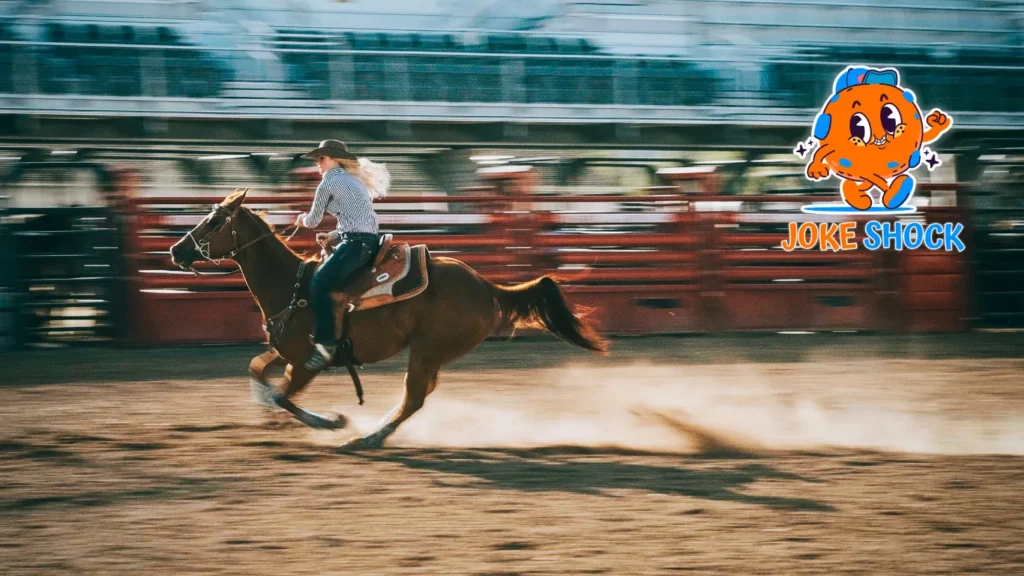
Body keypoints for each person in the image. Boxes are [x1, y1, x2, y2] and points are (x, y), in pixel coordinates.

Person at [293, 139, 390, 371]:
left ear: (334, 159)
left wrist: (300, 220)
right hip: (367, 242)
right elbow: (360, 221)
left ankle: (326, 345)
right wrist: (336, 235)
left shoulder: (328, 183)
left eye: (322, 158)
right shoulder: (355, 181)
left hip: (355, 245)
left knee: (318, 283)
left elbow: (313, 220)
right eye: (318, 158)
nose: (318, 162)